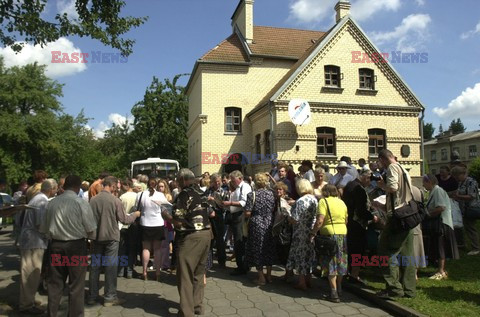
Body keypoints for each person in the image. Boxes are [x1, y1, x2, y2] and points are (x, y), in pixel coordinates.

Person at [40, 175, 97, 317]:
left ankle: (52, 313)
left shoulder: (52, 203)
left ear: (64, 186)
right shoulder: (81, 203)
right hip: (76, 246)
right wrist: (90, 239)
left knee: (55, 284)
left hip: (56, 246)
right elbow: (91, 230)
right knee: (77, 285)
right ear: (78, 187)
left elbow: (44, 229)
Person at [161, 168, 211, 317]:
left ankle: (186, 312)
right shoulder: (201, 192)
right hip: (206, 234)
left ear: (182, 179)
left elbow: (177, 221)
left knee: (185, 276)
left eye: (177, 179)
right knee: (198, 273)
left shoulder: (184, 194)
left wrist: (166, 215)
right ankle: (197, 307)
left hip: (191, 236)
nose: (176, 182)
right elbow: (211, 212)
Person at [87, 177, 140, 306]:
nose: (116, 188)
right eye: (115, 186)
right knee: (110, 266)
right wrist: (135, 215)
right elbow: (124, 220)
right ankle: (109, 297)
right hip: (111, 237)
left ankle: (92, 296)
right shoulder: (115, 201)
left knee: (95, 266)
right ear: (110, 186)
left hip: (96, 237)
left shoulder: (93, 200)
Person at [375, 149, 416, 299]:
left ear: (383, 159)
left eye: (380, 162)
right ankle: (409, 289)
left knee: (385, 251)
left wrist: (382, 186)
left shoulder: (392, 167)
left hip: (397, 216)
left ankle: (394, 289)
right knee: (407, 254)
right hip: (409, 215)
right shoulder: (403, 168)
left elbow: (393, 187)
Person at [18, 179, 57, 315]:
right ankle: (26, 305)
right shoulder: (42, 201)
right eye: (55, 188)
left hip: (32, 241)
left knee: (32, 274)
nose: (56, 191)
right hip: (34, 242)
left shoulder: (37, 198)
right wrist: (51, 234)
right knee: (30, 274)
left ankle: (29, 300)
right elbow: (41, 224)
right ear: (51, 189)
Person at [310, 184, 348, 303]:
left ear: (325, 192)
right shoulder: (342, 202)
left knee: (331, 263)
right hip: (343, 234)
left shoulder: (323, 201)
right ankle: (340, 287)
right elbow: (346, 220)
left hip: (329, 235)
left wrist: (313, 233)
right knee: (341, 261)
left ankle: (333, 292)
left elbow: (320, 220)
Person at [423, 174, 459, 280]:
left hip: (442, 224)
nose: (423, 185)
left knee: (441, 247)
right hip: (440, 224)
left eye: (424, 183)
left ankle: (441, 271)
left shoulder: (437, 191)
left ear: (429, 182)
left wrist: (428, 214)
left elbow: (440, 207)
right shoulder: (434, 191)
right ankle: (440, 270)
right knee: (438, 247)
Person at [341, 169, 374, 284]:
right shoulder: (359, 189)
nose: (370, 183)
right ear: (366, 178)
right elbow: (361, 210)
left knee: (350, 249)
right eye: (370, 180)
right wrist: (372, 217)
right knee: (358, 250)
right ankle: (355, 275)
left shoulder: (349, 185)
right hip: (358, 224)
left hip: (349, 222)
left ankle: (346, 272)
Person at [245, 173, 276, 285]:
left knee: (257, 248)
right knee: (268, 248)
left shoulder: (251, 195)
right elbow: (273, 208)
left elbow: (248, 213)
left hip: (256, 223)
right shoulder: (272, 194)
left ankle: (261, 277)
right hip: (269, 222)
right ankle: (269, 276)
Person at [286, 179, 317, 290]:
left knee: (301, 256)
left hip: (300, 231)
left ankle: (301, 282)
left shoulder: (301, 201)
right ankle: (309, 280)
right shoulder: (314, 199)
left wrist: (288, 214)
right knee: (309, 255)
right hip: (311, 230)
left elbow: (295, 219)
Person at [137, 178, 168, 280]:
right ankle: (158, 273)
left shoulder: (141, 194)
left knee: (145, 249)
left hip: (145, 223)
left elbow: (137, 208)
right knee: (157, 249)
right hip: (158, 224)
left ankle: (144, 272)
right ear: (156, 184)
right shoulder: (160, 195)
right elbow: (166, 208)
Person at [223, 170, 252, 275]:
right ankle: (241, 265)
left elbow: (244, 203)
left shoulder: (245, 187)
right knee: (238, 241)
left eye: (234, 180)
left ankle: (242, 267)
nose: (233, 182)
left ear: (240, 178)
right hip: (235, 216)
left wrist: (230, 203)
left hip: (240, 216)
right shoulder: (238, 187)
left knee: (240, 242)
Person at [451, 166, 480, 255]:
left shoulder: (471, 182)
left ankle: (476, 248)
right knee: (467, 227)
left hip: (472, 208)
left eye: (456, 176)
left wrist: (458, 197)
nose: (456, 178)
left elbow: (472, 196)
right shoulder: (461, 183)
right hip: (464, 209)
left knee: (471, 228)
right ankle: (466, 244)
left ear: (462, 174)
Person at [205, 173, 229, 268]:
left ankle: (222, 261)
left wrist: (215, 200)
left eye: (219, 182)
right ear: (212, 182)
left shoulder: (224, 191)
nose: (217, 183)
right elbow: (203, 201)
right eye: (215, 182)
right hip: (209, 217)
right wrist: (208, 200)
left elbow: (225, 205)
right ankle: (208, 262)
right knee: (210, 239)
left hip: (219, 216)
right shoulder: (208, 191)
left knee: (220, 239)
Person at [118, 178, 139, 278]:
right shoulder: (137, 196)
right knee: (131, 248)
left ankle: (121, 270)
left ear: (126, 185)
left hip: (123, 224)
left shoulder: (122, 197)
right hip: (133, 224)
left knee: (122, 248)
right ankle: (129, 270)